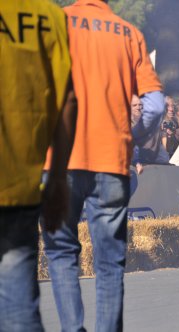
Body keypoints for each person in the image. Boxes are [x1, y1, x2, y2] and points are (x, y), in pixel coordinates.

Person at [42, 1, 164, 331]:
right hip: (111, 160)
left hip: (59, 161)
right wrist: (132, 137)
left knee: (61, 252)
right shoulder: (130, 33)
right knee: (109, 262)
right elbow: (155, 106)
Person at [0, 1, 77, 330]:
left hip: (19, 193)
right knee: (18, 308)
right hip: (18, 189)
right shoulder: (47, 16)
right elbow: (68, 101)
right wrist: (58, 177)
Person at [131, 95, 170, 174]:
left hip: (153, 158)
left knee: (165, 159)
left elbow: (162, 155)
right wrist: (136, 162)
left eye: (140, 105)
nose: (138, 107)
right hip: (133, 158)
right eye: (134, 105)